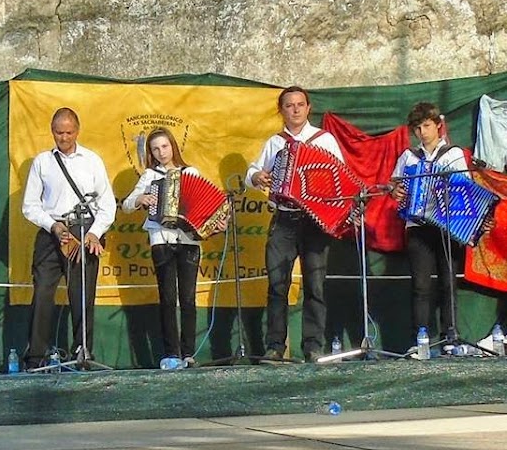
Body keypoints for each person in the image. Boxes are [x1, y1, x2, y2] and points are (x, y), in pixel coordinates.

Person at [245, 86, 344, 363]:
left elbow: (340, 177)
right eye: (289, 105)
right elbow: (251, 172)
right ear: (282, 111)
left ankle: (313, 346)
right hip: (284, 218)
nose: (296, 109)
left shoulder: (324, 141)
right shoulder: (275, 143)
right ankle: (276, 346)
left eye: (300, 104)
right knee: (277, 284)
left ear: (309, 108)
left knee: (315, 284)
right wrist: (256, 178)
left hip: (314, 221)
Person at [21, 107, 117, 369]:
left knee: (82, 294)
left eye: (68, 132)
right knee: (42, 292)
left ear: (77, 131)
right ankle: (35, 357)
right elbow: (30, 205)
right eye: (58, 132)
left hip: (83, 233)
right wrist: (52, 225)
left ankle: (82, 352)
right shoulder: (42, 161)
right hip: (51, 232)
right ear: (52, 131)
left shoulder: (92, 160)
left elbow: (107, 204)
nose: (63, 138)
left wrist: (95, 233)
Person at [121, 127, 225, 368]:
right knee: (168, 298)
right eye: (156, 149)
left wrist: (217, 222)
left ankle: (188, 353)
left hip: (188, 240)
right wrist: (140, 199)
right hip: (161, 239)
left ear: (173, 146)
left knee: (188, 298)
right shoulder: (149, 177)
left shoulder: (191, 172)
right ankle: (171, 353)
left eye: (165, 146)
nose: (161, 152)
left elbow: (207, 205)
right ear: (151, 152)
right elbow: (127, 204)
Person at [389, 102, 470, 343]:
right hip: (417, 226)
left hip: (446, 227)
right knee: (420, 285)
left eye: (426, 126)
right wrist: (396, 192)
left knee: (448, 283)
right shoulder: (408, 156)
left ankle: (450, 336)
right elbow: (394, 184)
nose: (422, 132)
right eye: (417, 128)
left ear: (438, 126)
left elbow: (463, 188)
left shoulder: (453, 154)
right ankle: (420, 337)